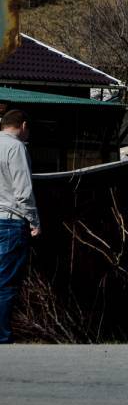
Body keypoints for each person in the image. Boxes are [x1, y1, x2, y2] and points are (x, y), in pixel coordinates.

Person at [0, 109, 39, 345]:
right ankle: (2, 336)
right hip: (11, 220)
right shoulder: (16, 148)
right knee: (5, 282)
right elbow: (23, 192)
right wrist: (34, 222)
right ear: (23, 125)